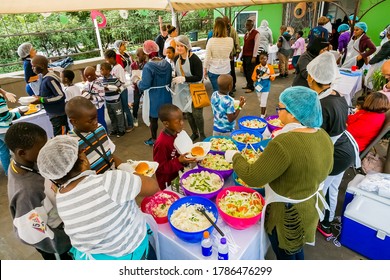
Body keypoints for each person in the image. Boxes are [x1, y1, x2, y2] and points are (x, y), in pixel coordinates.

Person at [225, 86, 333, 260]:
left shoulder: (284, 142)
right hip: (309, 206)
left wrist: (235, 157)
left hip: (287, 215)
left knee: (285, 254)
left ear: (292, 114)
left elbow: (253, 177)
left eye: (280, 108)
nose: (278, 112)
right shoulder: (323, 135)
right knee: (296, 248)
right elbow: (327, 169)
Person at [36, 135, 160, 260]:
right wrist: (128, 171)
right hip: (134, 252)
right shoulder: (109, 181)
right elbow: (153, 187)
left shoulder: (61, 199)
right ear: (84, 160)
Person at [306, 52, 358, 238]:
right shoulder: (337, 95)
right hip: (347, 149)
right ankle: (327, 222)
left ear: (311, 77)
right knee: (333, 188)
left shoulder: (321, 105)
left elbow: (314, 136)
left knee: (319, 190)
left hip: (334, 154)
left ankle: (316, 225)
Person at [5, 122, 72, 260]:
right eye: (42, 148)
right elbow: (36, 232)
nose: (46, 151)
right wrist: (66, 241)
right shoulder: (26, 192)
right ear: (22, 153)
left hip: (55, 220)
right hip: (56, 245)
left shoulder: (24, 162)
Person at [65, 96, 123, 174]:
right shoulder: (71, 144)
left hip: (112, 175)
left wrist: (124, 166)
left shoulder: (100, 128)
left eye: (96, 118)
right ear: (74, 122)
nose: (95, 122)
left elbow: (109, 153)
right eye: (90, 121)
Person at [134, 40, 173, 146]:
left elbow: (144, 85)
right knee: (167, 117)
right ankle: (171, 137)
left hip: (154, 97)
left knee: (153, 119)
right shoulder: (167, 64)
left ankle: (154, 139)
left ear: (146, 52)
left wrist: (137, 81)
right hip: (166, 93)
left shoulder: (148, 67)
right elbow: (169, 81)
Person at [153, 104, 196, 190]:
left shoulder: (178, 133)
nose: (182, 123)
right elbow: (160, 168)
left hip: (179, 173)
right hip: (167, 181)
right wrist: (179, 160)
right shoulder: (162, 143)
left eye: (182, 119)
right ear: (166, 124)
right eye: (178, 121)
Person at [171, 35, 206, 141]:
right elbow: (177, 72)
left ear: (187, 46)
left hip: (195, 90)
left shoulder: (195, 60)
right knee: (189, 114)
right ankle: (194, 132)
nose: (179, 48)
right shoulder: (177, 58)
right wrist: (175, 79)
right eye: (177, 46)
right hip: (183, 90)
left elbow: (199, 76)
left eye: (181, 46)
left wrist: (184, 79)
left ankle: (202, 134)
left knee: (197, 114)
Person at [30, 55, 69, 136]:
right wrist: (38, 98)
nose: (32, 68)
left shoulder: (50, 79)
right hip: (54, 115)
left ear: (42, 66)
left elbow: (60, 95)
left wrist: (42, 100)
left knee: (61, 137)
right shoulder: (44, 78)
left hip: (58, 115)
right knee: (60, 136)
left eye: (34, 66)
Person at [105, 49, 134, 132]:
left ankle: (130, 124)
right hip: (117, 91)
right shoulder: (113, 67)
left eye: (107, 59)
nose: (106, 61)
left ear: (111, 58)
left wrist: (113, 84)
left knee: (125, 108)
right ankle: (124, 125)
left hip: (122, 90)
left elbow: (121, 81)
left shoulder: (118, 67)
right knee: (121, 108)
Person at [204, 19, 234, 92]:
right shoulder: (230, 40)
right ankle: (226, 103)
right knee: (225, 91)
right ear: (225, 29)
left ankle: (216, 103)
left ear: (215, 28)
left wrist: (204, 69)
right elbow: (229, 52)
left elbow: (207, 57)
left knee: (216, 91)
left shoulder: (211, 41)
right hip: (226, 69)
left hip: (213, 69)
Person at [99, 62, 126, 137]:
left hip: (116, 101)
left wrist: (118, 90)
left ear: (108, 70)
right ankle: (115, 129)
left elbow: (122, 87)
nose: (101, 71)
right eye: (100, 69)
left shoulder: (114, 79)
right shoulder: (101, 81)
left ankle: (121, 130)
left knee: (118, 115)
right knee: (112, 116)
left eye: (102, 69)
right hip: (107, 101)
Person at [0, 88, 20, 175]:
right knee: (17, 149)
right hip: (4, 130)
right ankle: (21, 170)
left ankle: (9, 173)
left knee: (3, 152)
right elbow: (5, 116)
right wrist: (18, 114)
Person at [81, 66, 107, 132]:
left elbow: (102, 98)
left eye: (87, 77)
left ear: (92, 75)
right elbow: (86, 89)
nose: (86, 79)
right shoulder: (88, 82)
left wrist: (91, 97)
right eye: (85, 76)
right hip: (91, 107)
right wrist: (84, 92)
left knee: (100, 122)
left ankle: (105, 135)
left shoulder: (99, 84)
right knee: (94, 123)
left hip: (98, 107)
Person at [251, 52, 276, 118]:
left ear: (267, 59)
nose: (263, 60)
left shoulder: (270, 67)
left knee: (263, 101)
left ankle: (262, 116)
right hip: (258, 86)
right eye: (261, 59)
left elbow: (273, 77)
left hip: (266, 87)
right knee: (260, 100)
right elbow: (253, 77)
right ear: (259, 60)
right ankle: (264, 110)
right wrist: (257, 77)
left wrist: (270, 76)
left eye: (265, 58)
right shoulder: (257, 67)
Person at [222, 16, 241, 93]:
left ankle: (232, 86)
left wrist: (237, 51)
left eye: (225, 21)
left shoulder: (232, 30)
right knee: (226, 72)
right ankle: (226, 86)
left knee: (231, 71)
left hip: (230, 55)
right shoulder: (222, 30)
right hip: (223, 55)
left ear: (228, 21)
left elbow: (236, 40)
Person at [130, 48, 148, 127]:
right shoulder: (133, 65)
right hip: (137, 87)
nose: (145, 55)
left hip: (145, 86)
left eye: (145, 54)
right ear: (138, 56)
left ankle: (148, 116)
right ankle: (135, 117)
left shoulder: (147, 64)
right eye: (143, 54)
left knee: (147, 101)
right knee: (136, 102)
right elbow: (133, 77)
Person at [241, 19, 260, 93]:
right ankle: (248, 84)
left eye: (248, 25)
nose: (246, 26)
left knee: (250, 72)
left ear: (252, 25)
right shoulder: (246, 34)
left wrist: (254, 56)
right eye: (246, 25)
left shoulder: (256, 33)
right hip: (245, 55)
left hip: (251, 56)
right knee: (245, 71)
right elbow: (245, 45)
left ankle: (251, 87)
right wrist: (242, 54)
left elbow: (256, 46)